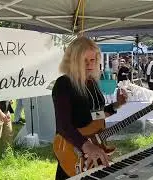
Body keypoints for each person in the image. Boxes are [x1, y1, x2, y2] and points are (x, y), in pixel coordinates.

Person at [52, 37, 128, 180]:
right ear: (73, 61)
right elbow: (63, 126)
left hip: (95, 147)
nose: (89, 65)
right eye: (84, 61)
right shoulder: (64, 83)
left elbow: (93, 116)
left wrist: (116, 105)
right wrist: (85, 145)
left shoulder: (91, 82)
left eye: (92, 60)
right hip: (73, 150)